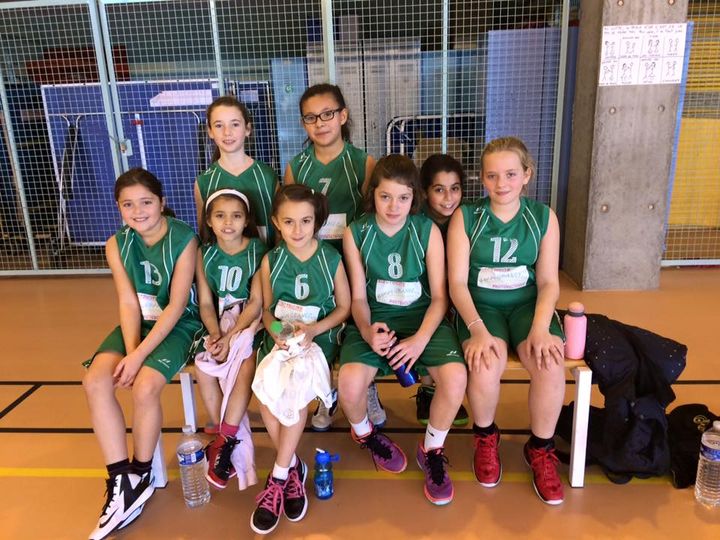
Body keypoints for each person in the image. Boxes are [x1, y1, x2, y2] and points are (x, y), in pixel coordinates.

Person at [338, 155, 467, 506]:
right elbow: (358, 298)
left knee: (455, 378)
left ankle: (432, 449)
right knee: (349, 384)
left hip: (422, 319)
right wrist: (367, 331)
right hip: (375, 318)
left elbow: (440, 298)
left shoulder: (427, 231)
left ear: (415, 198)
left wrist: (419, 341)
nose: (394, 206)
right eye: (385, 197)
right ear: (373, 195)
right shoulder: (356, 232)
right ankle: (365, 434)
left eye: (403, 198)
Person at [83, 168, 203, 539]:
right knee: (95, 381)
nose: (138, 211)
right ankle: (121, 479)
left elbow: (176, 305)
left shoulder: (184, 238)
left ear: (162, 203)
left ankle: (142, 471)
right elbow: (127, 301)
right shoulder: (116, 244)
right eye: (128, 205)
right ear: (118, 208)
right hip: (139, 322)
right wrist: (132, 349)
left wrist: (138, 359)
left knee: (145, 385)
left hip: (179, 324)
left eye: (146, 202)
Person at [447, 136, 566, 505]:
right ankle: (485, 437)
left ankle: (540, 449)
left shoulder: (543, 217)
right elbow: (456, 283)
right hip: (481, 307)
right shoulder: (466, 217)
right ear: (482, 178)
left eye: (511, 174)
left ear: (527, 174)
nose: (501, 184)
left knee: (549, 362)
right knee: (485, 363)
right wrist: (476, 329)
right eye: (492, 175)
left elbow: (548, 283)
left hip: (527, 305)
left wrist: (541, 328)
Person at [251, 184, 351, 534]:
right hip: (282, 339)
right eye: (289, 221)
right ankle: (293, 468)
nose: (298, 229)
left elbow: (344, 307)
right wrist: (277, 331)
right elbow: (267, 311)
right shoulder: (271, 260)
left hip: (318, 338)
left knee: (292, 394)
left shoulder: (330, 258)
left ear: (316, 221)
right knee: (266, 397)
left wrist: (313, 329)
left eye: (306, 221)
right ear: (276, 222)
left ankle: (279, 478)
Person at [284, 83, 382, 431]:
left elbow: (373, 217)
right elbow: (290, 216)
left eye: (327, 114)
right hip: (315, 262)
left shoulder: (362, 163)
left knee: (356, 326)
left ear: (342, 116)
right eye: (310, 117)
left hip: (352, 260)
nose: (320, 123)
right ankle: (326, 394)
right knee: (322, 328)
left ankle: (367, 387)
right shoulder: (297, 166)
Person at [194, 188, 266, 489]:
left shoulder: (258, 250)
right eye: (220, 216)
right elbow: (206, 303)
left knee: (246, 363)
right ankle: (227, 437)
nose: (228, 223)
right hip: (220, 323)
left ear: (246, 220)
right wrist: (216, 335)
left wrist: (232, 335)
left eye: (236, 216)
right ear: (209, 221)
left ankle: (225, 439)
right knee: (204, 366)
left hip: (250, 322)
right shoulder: (204, 253)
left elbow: (256, 303)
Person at [415, 153, 470, 427]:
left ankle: (449, 389)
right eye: (439, 190)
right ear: (425, 192)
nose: (448, 198)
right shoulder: (416, 220)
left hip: (459, 292)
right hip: (426, 294)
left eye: (455, 188)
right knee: (428, 321)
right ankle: (427, 389)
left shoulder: (466, 217)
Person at [194, 96, 278, 245]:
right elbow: (205, 236)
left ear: (247, 129)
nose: (227, 132)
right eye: (219, 125)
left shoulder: (267, 175)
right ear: (210, 131)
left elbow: (280, 229)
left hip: (265, 258)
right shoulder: (204, 181)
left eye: (235, 124)